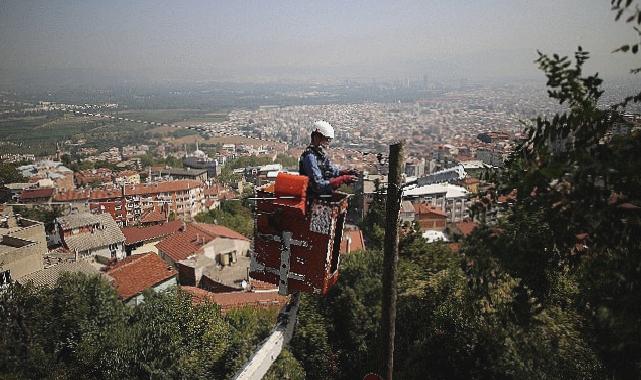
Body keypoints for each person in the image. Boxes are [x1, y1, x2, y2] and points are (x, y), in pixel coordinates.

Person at [299, 120, 358, 196]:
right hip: (312, 197)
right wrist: (343, 179)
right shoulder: (310, 157)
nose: (327, 143)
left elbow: (330, 170)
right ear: (316, 137)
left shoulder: (320, 154)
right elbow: (319, 185)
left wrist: (345, 172)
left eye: (329, 140)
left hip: (320, 194)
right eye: (326, 139)